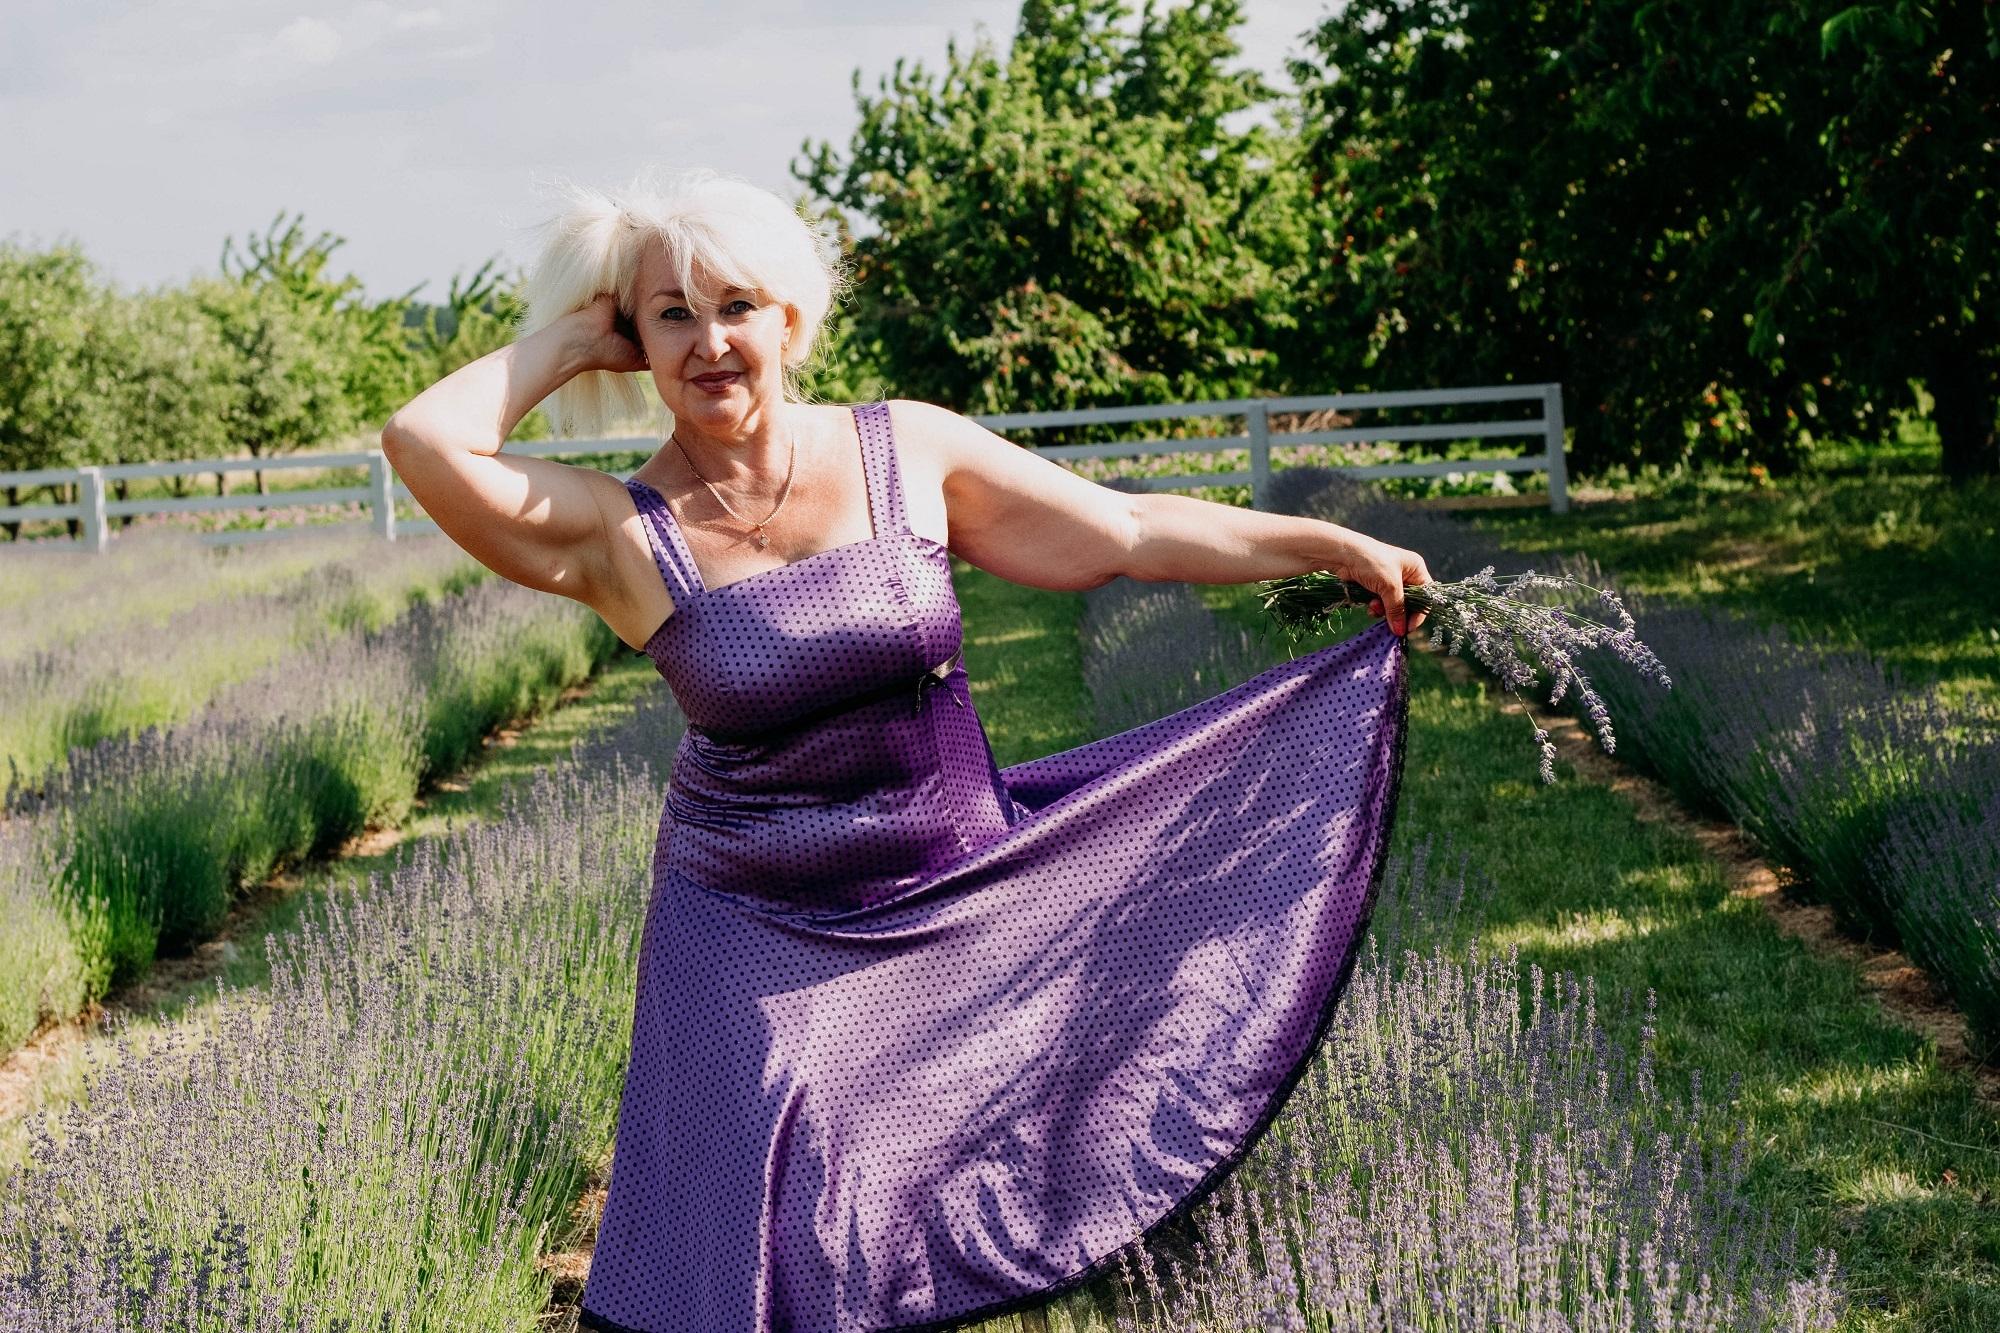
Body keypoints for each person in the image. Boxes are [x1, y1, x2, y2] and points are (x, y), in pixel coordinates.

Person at [382, 166, 1430, 1333]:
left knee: (960, 1198)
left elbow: (1125, 530)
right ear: (635, 340)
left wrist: (1325, 543)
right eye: (672, 316)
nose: (710, 343)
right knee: (791, 1217)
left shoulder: (903, 451)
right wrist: (578, 339)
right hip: (749, 920)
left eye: (736, 306)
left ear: (789, 319)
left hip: (951, 876)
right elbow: (423, 440)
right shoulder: (617, 529)